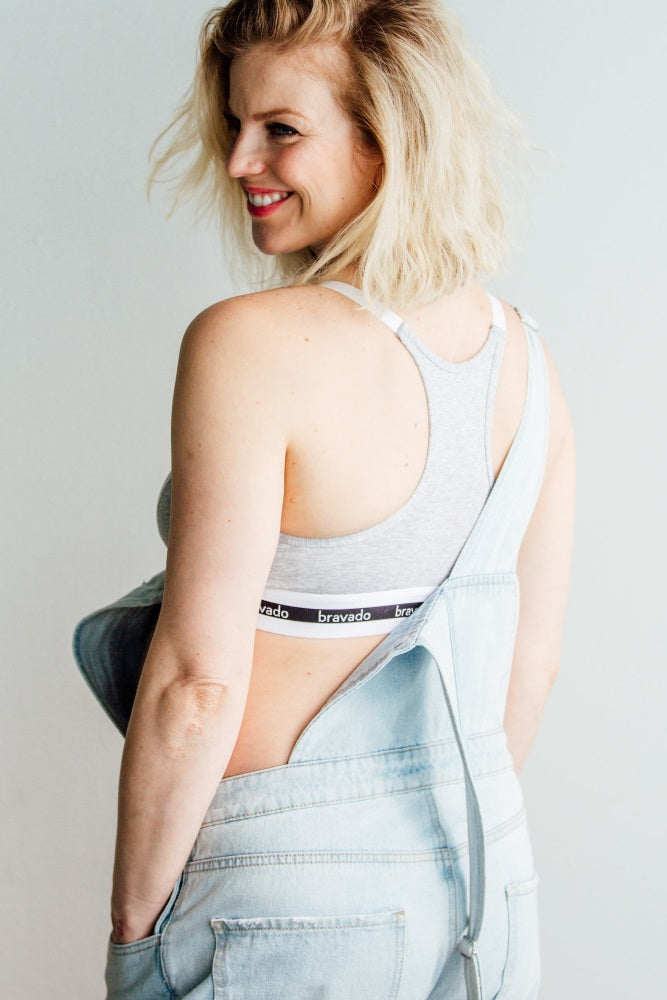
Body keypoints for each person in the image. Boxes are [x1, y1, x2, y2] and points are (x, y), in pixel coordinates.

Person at [72, 1, 576, 998]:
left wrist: (133, 930)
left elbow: (196, 686)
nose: (238, 162)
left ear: (387, 139)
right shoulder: (527, 362)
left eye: (280, 129)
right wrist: (417, 845)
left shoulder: (248, 344)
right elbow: (531, 664)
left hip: (286, 894)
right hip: (483, 880)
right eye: (235, 124)